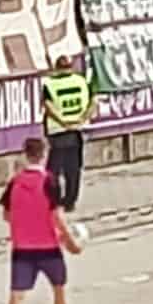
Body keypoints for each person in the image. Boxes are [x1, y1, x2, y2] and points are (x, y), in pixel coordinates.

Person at [0, 134, 82, 304]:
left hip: (22, 247)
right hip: (48, 246)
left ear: (25, 155)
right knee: (59, 291)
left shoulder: (15, 182)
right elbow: (57, 215)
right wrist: (70, 241)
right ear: (44, 155)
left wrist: (23, 224)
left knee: (16, 297)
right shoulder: (49, 181)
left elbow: (7, 214)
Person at [40, 52, 96, 211]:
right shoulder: (82, 81)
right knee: (73, 169)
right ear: (71, 67)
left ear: (57, 68)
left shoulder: (49, 84)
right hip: (76, 130)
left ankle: (54, 200)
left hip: (57, 131)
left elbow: (48, 107)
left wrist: (63, 121)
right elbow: (93, 103)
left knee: (53, 170)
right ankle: (70, 201)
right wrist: (82, 119)